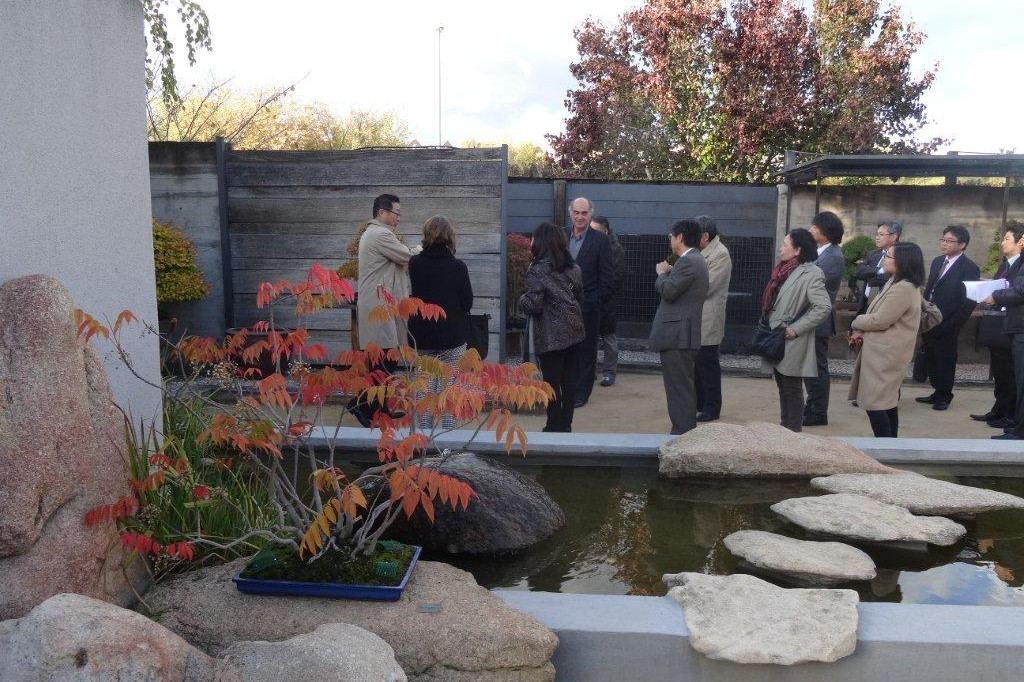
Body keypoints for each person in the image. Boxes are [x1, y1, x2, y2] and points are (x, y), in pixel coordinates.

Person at [350, 193, 421, 426]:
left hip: (381, 305)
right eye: (396, 213)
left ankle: (377, 409)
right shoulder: (380, 234)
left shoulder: (376, 233)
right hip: (379, 307)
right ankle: (362, 405)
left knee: (382, 359)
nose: (399, 218)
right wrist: (424, 247)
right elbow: (407, 256)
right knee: (384, 359)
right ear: (382, 212)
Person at [848, 242, 925, 437]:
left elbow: (880, 320)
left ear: (902, 262)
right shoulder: (896, 281)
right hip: (883, 351)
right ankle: (891, 443)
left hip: (886, 354)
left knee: (875, 403)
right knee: (886, 402)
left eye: (889, 256)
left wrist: (857, 321)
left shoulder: (904, 288)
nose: (884, 259)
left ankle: (885, 443)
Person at [760, 229, 832, 432]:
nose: (781, 248)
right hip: (775, 334)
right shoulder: (783, 269)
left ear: (798, 250)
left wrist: (795, 329)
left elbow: (823, 307)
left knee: (791, 386)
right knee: (782, 384)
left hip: (791, 337)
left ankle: (792, 432)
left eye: (785, 244)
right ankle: (785, 429)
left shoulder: (812, 273)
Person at [519, 222, 586, 432]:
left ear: (540, 242)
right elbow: (579, 297)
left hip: (550, 336)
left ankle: (553, 425)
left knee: (550, 383)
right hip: (575, 331)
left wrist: (522, 299)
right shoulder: (574, 268)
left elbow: (534, 304)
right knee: (569, 380)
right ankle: (566, 425)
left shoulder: (538, 269)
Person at [408, 216, 473, 431]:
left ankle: (424, 438)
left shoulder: (414, 264)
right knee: (450, 390)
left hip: (422, 334)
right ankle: (448, 441)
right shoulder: (458, 267)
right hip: (452, 335)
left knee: (425, 388)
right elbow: (467, 302)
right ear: (450, 237)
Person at [650, 219, 709, 435]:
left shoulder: (689, 261)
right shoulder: (693, 260)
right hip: (682, 335)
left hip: (678, 336)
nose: (670, 240)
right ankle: (683, 432)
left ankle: (682, 434)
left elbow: (669, 291)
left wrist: (661, 273)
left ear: (680, 237)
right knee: (681, 387)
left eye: (671, 236)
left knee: (679, 389)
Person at [915, 225, 980, 410]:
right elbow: (930, 288)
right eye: (943, 240)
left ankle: (945, 395)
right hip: (930, 318)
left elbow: (969, 301)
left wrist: (953, 323)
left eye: (949, 241)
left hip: (949, 321)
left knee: (945, 358)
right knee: (932, 356)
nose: (944, 244)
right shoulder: (938, 261)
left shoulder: (969, 268)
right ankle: (936, 390)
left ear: (962, 244)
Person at [973, 224, 1024, 430]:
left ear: (1020, 241)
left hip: (1013, 323)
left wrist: (996, 295)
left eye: (1007, 239)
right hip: (1000, 324)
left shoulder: (1021, 264)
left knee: (1011, 373)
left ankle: (1011, 414)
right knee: (1000, 371)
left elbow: (1017, 291)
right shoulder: (1005, 265)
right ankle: (1000, 409)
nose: (1002, 243)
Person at [566, 197, 613, 408]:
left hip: (588, 307)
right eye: (576, 212)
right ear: (571, 213)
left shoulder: (601, 240)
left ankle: (581, 394)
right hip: (561, 307)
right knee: (564, 350)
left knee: (586, 352)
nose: (580, 217)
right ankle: (566, 389)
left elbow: (607, 277)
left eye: (584, 213)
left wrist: (595, 302)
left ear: (590, 214)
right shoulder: (561, 237)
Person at [803, 211, 844, 427]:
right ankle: (812, 405)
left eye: (815, 227)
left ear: (826, 232)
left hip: (818, 319)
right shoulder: (820, 252)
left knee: (817, 367)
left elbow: (814, 285)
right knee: (809, 366)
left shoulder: (833, 257)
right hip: (810, 316)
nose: (811, 230)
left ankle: (819, 411)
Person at [694, 215, 732, 422]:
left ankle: (712, 407)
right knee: (697, 363)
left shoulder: (720, 254)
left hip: (709, 317)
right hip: (696, 316)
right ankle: (700, 403)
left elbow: (707, 286)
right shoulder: (700, 251)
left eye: (695, 234)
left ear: (705, 236)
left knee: (708, 363)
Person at [589, 215, 626, 387]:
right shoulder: (590, 244)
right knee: (590, 337)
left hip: (606, 300)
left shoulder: (615, 249)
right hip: (591, 299)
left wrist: (601, 294)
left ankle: (609, 373)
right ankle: (590, 372)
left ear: (605, 231)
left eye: (595, 230)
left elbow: (616, 278)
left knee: (608, 337)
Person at [853, 220, 902, 313]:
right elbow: (859, 271)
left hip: (884, 307)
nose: (877, 237)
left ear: (893, 237)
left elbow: (887, 280)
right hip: (865, 303)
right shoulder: (873, 254)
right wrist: (880, 270)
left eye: (881, 235)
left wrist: (869, 274)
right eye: (877, 234)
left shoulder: (900, 257)